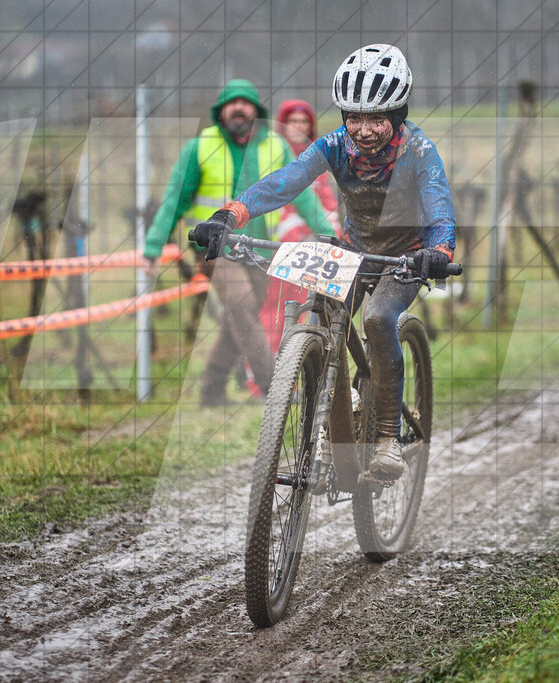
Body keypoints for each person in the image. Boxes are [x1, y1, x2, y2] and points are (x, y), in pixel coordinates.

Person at [191, 45, 456, 480]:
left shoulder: (420, 152)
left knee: (377, 317)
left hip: (404, 257)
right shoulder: (334, 145)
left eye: (376, 119)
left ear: (398, 114)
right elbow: (285, 182)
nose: (363, 130)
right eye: (354, 117)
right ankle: (334, 427)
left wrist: (438, 253)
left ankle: (387, 437)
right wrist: (229, 215)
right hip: (354, 249)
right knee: (321, 311)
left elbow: (440, 211)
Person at [141, 79, 334, 405]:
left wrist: (330, 234)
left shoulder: (275, 145)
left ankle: (212, 392)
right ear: (221, 111)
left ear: (256, 111)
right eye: (232, 103)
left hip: (259, 248)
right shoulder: (199, 147)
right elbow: (174, 200)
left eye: (246, 103)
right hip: (214, 250)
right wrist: (152, 248)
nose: (239, 108)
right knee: (243, 306)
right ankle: (278, 391)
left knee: (238, 320)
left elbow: (301, 195)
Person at [258, 99, 341, 352]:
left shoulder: (318, 158)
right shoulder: (273, 154)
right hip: (281, 244)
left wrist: (332, 233)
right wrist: (295, 231)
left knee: (310, 304)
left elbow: (325, 201)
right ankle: (268, 367)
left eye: (303, 121)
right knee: (278, 307)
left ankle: (302, 363)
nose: (298, 126)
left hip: (313, 247)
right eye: (292, 121)